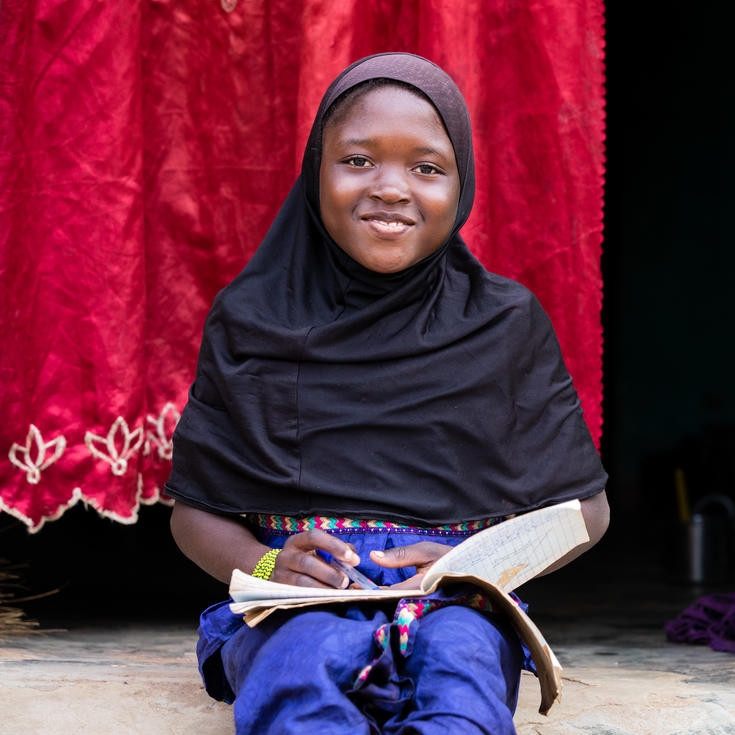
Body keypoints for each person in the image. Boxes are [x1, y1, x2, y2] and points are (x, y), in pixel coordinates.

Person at [166, 52, 609, 735]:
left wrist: (477, 567)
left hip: (455, 600)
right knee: (300, 668)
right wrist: (267, 565)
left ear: (461, 184)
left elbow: (586, 510)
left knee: (460, 672)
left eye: (427, 167)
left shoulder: (505, 323)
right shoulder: (252, 319)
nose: (392, 188)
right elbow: (193, 515)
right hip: (294, 603)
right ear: (316, 172)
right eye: (357, 160)